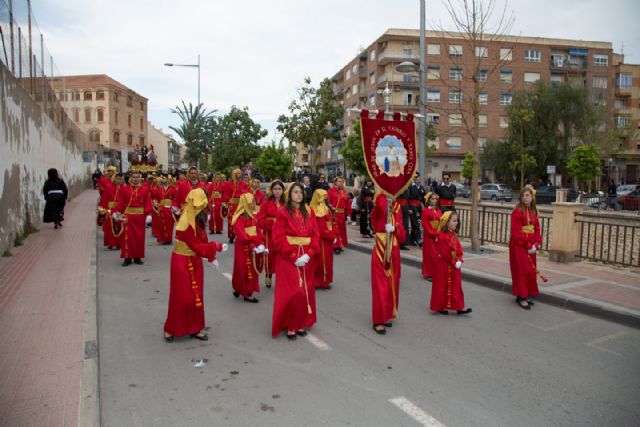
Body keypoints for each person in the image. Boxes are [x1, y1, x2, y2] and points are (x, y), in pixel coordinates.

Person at [163, 188, 228, 342]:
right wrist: (216, 247)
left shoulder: (198, 218)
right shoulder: (186, 222)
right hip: (181, 261)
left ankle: (195, 327)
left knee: (196, 296)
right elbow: (196, 245)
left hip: (195, 261)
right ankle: (171, 328)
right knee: (181, 297)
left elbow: (202, 239)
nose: (205, 208)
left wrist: (211, 257)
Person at [271, 183, 320, 340]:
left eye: (301, 192)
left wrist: (310, 253)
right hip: (288, 258)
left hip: (306, 257)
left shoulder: (309, 211)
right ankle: (290, 324)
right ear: (289, 194)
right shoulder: (282, 212)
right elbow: (278, 238)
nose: (299, 195)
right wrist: (293, 256)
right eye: (295, 192)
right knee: (292, 292)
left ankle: (299, 323)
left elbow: (315, 235)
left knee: (305, 291)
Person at [370, 190, 406, 335]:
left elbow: (402, 235)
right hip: (381, 247)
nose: (393, 193)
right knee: (380, 284)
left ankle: (386, 315)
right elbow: (381, 208)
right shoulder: (380, 204)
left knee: (393, 282)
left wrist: (395, 228)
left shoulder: (398, 208)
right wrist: (383, 193)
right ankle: (378, 320)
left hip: (394, 247)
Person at [430, 211, 472, 315]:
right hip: (444, 265)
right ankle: (439, 306)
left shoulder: (453, 234)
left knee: (456, 285)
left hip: (454, 264)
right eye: (454, 221)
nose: (456, 223)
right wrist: (454, 261)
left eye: (456, 221)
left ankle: (459, 306)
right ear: (447, 222)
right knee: (441, 285)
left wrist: (459, 259)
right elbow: (445, 253)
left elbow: (459, 249)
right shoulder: (442, 236)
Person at [509, 187, 543, 310]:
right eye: (523, 195)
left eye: (527, 195)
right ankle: (522, 296)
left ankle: (525, 293)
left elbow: (537, 228)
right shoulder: (517, 212)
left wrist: (536, 243)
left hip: (531, 247)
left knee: (530, 271)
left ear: (532, 197)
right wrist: (528, 244)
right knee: (521, 270)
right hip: (519, 246)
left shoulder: (533, 211)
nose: (525, 197)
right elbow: (517, 232)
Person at [112, 171, 153, 266]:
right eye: (133, 177)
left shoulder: (145, 189)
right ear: (131, 178)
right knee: (128, 239)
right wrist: (117, 212)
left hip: (140, 218)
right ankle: (127, 258)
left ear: (140, 178)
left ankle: (137, 257)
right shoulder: (125, 189)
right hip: (128, 217)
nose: (135, 179)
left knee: (139, 238)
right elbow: (121, 203)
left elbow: (147, 202)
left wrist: (148, 214)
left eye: (137, 177)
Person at [231, 192, 265, 303]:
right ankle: (243, 291)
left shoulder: (253, 217)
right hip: (243, 248)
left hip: (253, 246)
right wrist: (255, 241)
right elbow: (242, 236)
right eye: (251, 202)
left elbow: (258, 232)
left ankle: (244, 290)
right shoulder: (238, 218)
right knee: (242, 269)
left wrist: (261, 243)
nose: (253, 204)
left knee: (252, 269)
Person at [257, 180, 285, 288]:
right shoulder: (266, 202)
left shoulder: (286, 203)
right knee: (270, 255)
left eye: (279, 189)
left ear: (283, 190)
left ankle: (282, 277)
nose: (277, 191)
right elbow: (260, 219)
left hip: (283, 234)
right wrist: (271, 224)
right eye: (275, 189)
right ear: (272, 190)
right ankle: (268, 275)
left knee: (282, 255)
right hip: (270, 233)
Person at [309, 189, 336, 289]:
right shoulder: (313, 210)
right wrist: (329, 234)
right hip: (319, 239)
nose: (325, 198)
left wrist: (333, 233)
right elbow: (319, 227)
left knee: (328, 260)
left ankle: (326, 280)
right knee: (318, 261)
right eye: (323, 196)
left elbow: (330, 223)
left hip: (327, 239)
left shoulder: (326, 208)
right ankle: (316, 281)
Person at [223, 168, 250, 243]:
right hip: (232, 205)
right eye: (238, 173)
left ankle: (240, 235)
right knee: (231, 220)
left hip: (240, 204)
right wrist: (225, 203)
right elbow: (226, 194)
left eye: (240, 173)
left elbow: (247, 193)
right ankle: (231, 236)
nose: (240, 174)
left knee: (240, 220)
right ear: (234, 174)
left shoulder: (244, 184)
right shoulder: (229, 184)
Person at [98, 172, 123, 250]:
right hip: (110, 209)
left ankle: (118, 244)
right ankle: (110, 243)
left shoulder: (124, 188)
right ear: (114, 179)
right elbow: (104, 199)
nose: (119, 181)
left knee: (119, 225)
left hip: (119, 209)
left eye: (121, 179)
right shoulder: (109, 187)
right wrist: (103, 208)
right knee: (109, 226)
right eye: (118, 179)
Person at [421, 192, 441, 281]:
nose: (434, 201)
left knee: (437, 255)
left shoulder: (439, 210)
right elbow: (425, 224)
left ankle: (436, 272)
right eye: (432, 199)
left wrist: (439, 232)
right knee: (430, 255)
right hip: (429, 236)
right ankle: (428, 273)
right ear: (428, 200)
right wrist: (433, 233)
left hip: (437, 235)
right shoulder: (425, 211)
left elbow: (441, 222)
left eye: (435, 199)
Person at [328, 176, 351, 254]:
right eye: (339, 181)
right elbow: (327, 202)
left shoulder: (344, 191)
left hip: (342, 214)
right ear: (335, 182)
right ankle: (335, 246)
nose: (341, 183)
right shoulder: (331, 191)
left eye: (342, 181)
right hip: (333, 213)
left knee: (341, 230)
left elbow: (347, 203)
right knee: (335, 230)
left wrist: (349, 214)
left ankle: (340, 245)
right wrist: (331, 208)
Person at [153, 175, 176, 245]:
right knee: (161, 224)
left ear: (168, 179)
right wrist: (157, 205)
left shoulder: (173, 189)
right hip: (161, 209)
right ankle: (162, 239)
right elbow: (156, 199)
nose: (163, 180)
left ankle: (168, 239)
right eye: (162, 179)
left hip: (169, 209)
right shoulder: (159, 189)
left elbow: (175, 199)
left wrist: (173, 207)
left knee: (169, 225)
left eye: (165, 178)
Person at [407, 173, 426, 247]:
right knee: (415, 223)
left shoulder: (421, 187)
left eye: (418, 177)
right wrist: (409, 208)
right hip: (412, 206)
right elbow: (407, 199)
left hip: (419, 206)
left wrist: (425, 206)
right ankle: (418, 239)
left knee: (418, 222)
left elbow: (424, 198)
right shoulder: (410, 187)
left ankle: (411, 239)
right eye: (415, 177)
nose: (417, 179)